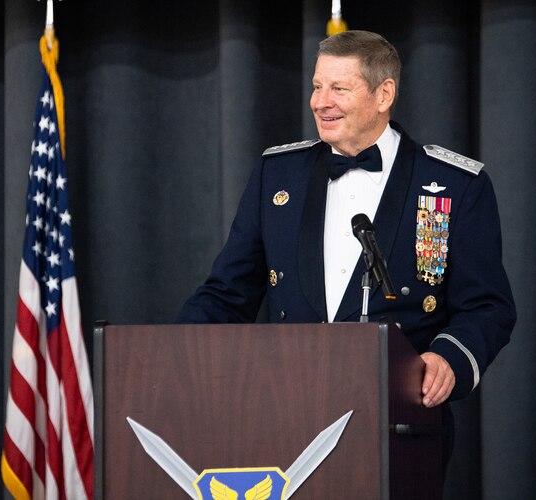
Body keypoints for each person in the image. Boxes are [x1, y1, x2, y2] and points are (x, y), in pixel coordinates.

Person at [178, 31, 515, 420]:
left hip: (399, 418)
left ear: (383, 94)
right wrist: (174, 356)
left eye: (339, 88)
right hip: (285, 413)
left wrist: (448, 358)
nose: (321, 102)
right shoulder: (278, 176)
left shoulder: (455, 184)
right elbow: (227, 294)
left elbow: (487, 306)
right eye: (317, 86)